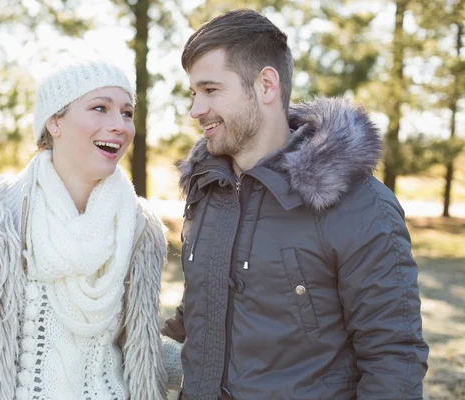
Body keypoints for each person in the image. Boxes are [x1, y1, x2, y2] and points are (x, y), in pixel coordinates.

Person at [161, 9, 429, 400]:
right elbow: (200, 308)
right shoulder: (208, 192)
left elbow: (394, 358)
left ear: (266, 85)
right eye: (193, 93)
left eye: (211, 90)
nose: (195, 110)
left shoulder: (359, 205)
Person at [0, 57, 182, 400]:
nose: (120, 125)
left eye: (127, 113)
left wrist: (231, 368)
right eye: (100, 108)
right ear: (55, 122)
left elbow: (139, 348)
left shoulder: (140, 226)